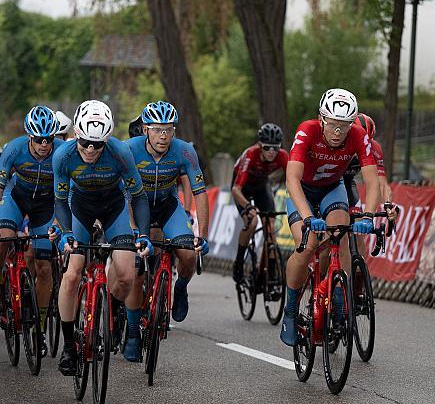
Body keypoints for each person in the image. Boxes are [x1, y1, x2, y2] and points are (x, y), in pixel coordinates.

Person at [52, 99, 152, 375]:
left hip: (113, 208)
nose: (90, 150)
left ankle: (111, 311)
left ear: (107, 139)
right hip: (79, 209)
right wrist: (67, 234)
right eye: (85, 143)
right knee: (72, 273)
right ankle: (69, 346)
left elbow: (139, 196)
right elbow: (60, 201)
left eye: (97, 144)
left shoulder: (120, 153)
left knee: (127, 275)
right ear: (76, 136)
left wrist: (143, 234)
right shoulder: (63, 155)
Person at [280, 88, 381, 346]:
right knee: (308, 245)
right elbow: (291, 178)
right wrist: (306, 217)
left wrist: (369, 216)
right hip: (301, 189)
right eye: (333, 125)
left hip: (331, 189)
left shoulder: (358, 135)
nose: (338, 132)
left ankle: (338, 297)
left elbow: (372, 179)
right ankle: (290, 310)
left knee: (341, 236)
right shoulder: (308, 130)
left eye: (344, 126)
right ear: (322, 119)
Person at [123, 101, 210, 360]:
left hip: (168, 207)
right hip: (137, 206)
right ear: (146, 129)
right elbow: (123, 194)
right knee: (138, 270)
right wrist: (134, 230)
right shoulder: (129, 149)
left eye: (169, 130)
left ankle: (180, 287)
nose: (164, 136)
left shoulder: (184, 152)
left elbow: (200, 193)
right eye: (158, 129)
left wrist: (202, 234)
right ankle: (132, 334)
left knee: (188, 256)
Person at [0, 105, 64, 357]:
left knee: (44, 266)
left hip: (45, 205)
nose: (44, 145)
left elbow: (68, 194)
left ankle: (39, 330)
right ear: (29, 136)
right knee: (5, 237)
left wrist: (60, 226)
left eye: (48, 139)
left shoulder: (62, 152)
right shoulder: (14, 149)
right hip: (16, 198)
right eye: (39, 140)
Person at [231, 123, 288, 282]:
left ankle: (270, 274)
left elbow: (294, 179)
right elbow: (236, 189)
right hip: (242, 187)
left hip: (262, 185)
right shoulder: (251, 154)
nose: (271, 152)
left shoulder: (283, 156)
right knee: (252, 221)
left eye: (275, 148)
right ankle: (239, 261)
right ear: (260, 145)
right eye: (267, 147)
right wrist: (248, 206)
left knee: (270, 227)